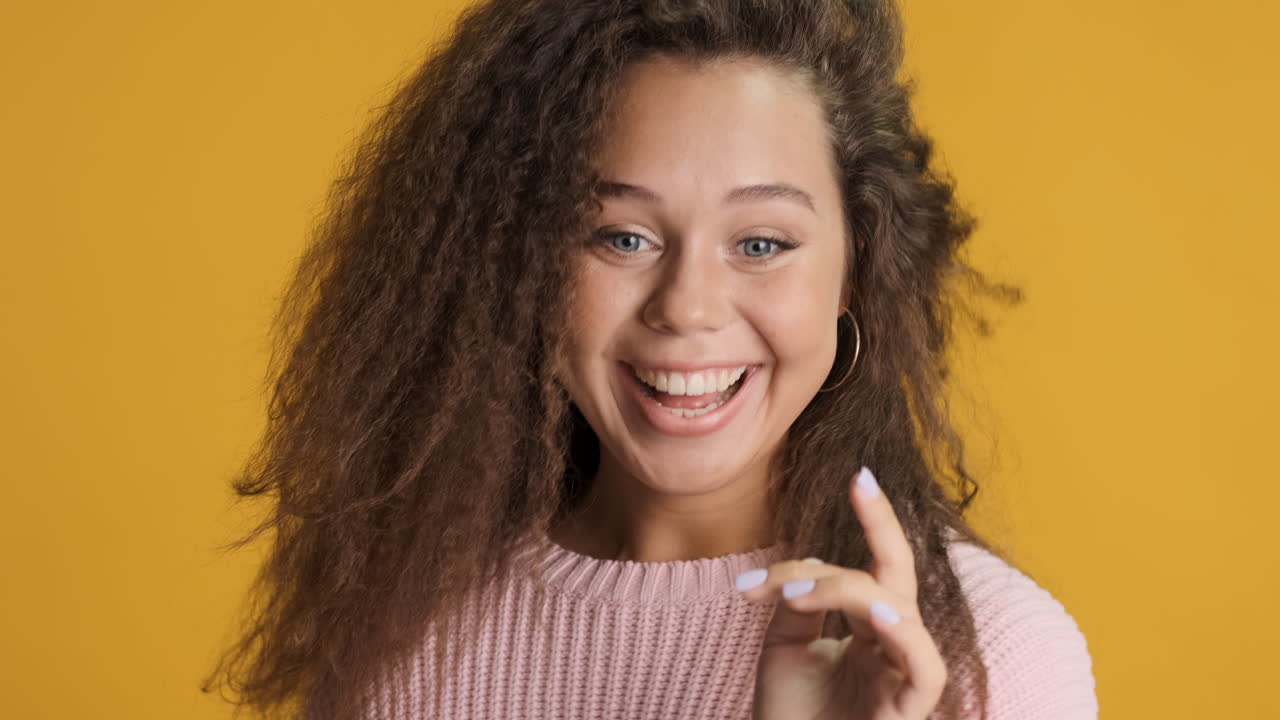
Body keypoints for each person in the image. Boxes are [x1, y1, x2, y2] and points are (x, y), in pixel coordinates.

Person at [203, 1, 1098, 718]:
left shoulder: (988, 657)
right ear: (520, 263)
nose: (687, 308)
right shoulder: (402, 627)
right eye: (622, 236)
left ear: (856, 273)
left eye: (761, 244)